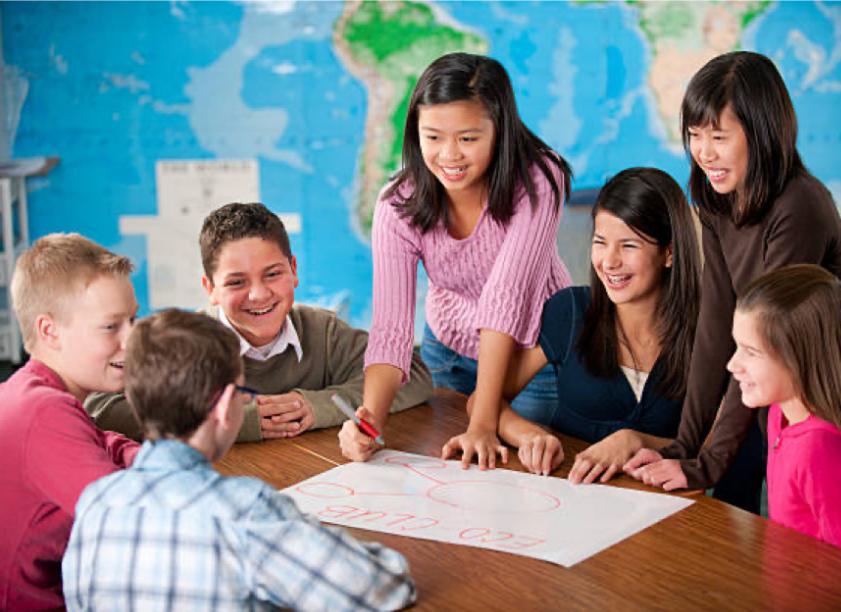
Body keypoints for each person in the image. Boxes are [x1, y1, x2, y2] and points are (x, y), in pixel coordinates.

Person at [63, 309, 417, 610]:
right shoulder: (247, 513)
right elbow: (385, 587)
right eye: (242, 394)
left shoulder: (94, 505)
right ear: (223, 407)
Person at [624, 51, 841, 513]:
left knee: (802, 538)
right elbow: (716, 322)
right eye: (694, 135)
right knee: (721, 514)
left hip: (818, 402)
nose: (703, 152)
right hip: (766, 385)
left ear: (763, 132)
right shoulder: (714, 194)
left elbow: (766, 343)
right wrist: (684, 448)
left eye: (719, 136)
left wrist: (704, 465)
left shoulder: (799, 205)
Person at [341, 52, 573, 469]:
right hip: (447, 352)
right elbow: (391, 327)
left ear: (500, 130)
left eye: (467, 138)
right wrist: (369, 418)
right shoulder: (398, 204)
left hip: (532, 353)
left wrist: (483, 419)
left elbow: (507, 297)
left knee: (527, 478)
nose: (449, 155)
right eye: (433, 137)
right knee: (453, 482)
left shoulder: (540, 176)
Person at [87, 202, 433, 442]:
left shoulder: (323, 333)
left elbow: (414, 375)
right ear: (210, 288)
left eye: (273, 274)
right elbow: (99, 406)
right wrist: (231, 419)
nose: (258, 295)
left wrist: (316, 406)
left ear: (293, 271)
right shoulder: (183, 343)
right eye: (236, 282)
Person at [462, 168, 700, 479]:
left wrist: (636, 441)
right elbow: (481, 400)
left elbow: (715, 447)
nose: (609, 261)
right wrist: (529, 436)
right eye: (600, 242)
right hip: (568, 499)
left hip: (672, 518)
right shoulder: (570, 311)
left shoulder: (706, 332)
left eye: (628, 246)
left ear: (669, 253)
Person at [724, 265, 841, 565]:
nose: (732, 364)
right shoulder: (778, 414)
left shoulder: (819, 449)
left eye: (751, 351)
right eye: (737, 346)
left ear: (801, 358)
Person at [0, 234, 141, 610]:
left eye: (133, 320)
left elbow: (102, 442)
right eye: (111, 327)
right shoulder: (43, 412)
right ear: (49, 331)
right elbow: (135, 523)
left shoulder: (29, 392)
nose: (132, 340)